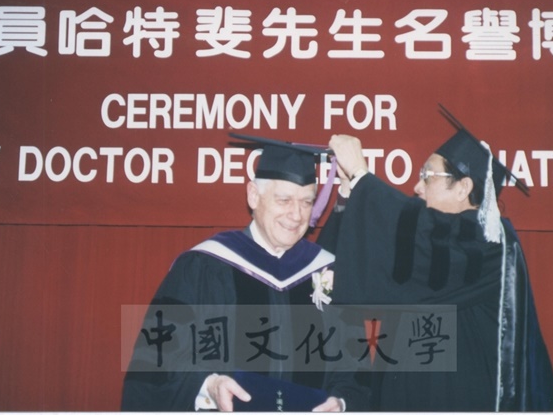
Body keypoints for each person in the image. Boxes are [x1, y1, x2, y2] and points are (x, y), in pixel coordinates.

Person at [317, 106, 553, 411]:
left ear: (463, 188)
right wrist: (348, 194)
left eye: (427, 176)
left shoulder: (490, 245)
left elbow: (424, 237)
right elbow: (377, 287)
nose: (417, 187)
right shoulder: (430, 252)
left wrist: (360, 176)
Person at [121, 134, 368, 412]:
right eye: (284, 200)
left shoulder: (324, 270)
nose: (297, 215)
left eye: (306, 202)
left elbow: (355, 369)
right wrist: (208, 387)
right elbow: (156, 360)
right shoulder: (203, 267)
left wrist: (342, 403)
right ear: (253, 195)